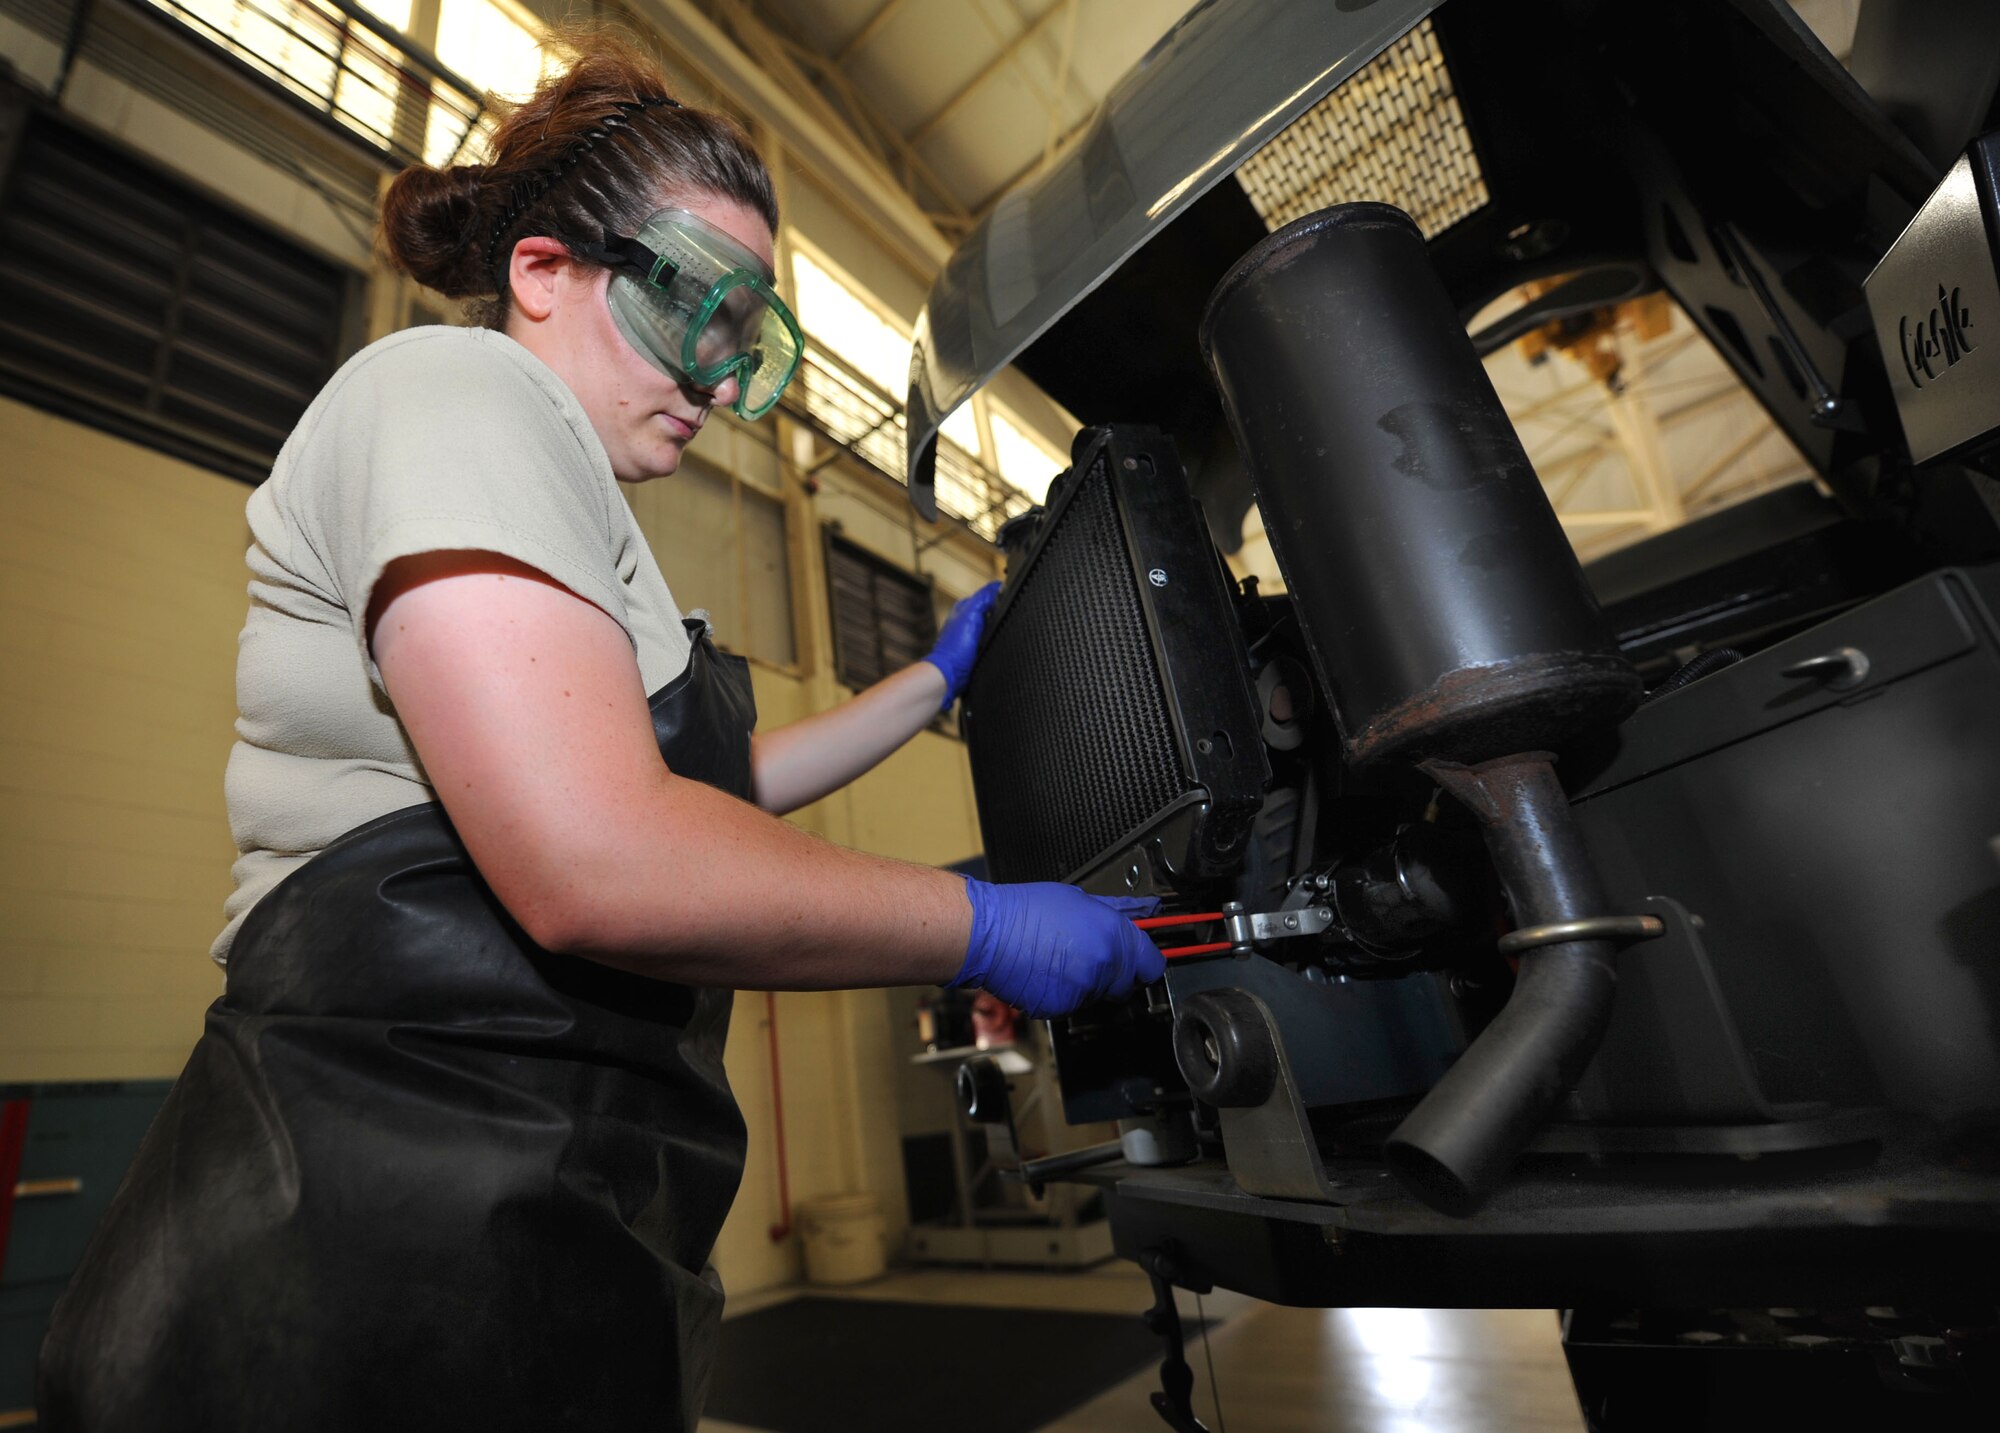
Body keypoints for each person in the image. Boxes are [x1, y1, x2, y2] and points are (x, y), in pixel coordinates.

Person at [37, 28, 1162, 1432]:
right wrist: (975, 925)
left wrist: (936, 681)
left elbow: (708, 796)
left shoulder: (578, 524)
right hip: (354, 1261)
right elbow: (597, 852)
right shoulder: (456, 391)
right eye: (694, 305)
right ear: (544, 271)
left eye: (744, 345)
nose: (710, 373)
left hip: (527, 1231)